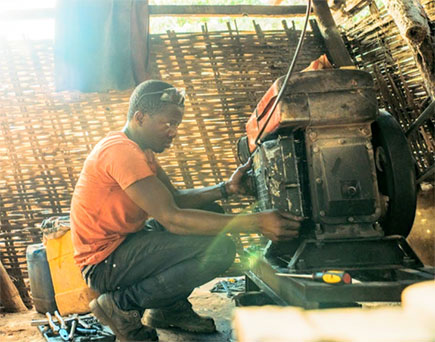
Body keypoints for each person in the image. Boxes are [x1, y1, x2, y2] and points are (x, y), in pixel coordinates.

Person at [70, 80, 302, 342]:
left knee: (209, 211)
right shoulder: (121, 152)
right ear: (140, 117)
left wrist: (226, 188)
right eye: (167, 123)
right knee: (220, 250)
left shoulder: (139, 149)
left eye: (177, 124)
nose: (173, 132)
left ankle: (167, 309)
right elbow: (173, 219)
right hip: (103, 263)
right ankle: (121, 305)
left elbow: (176, 200)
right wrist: (257, 222)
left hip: (125, 243)